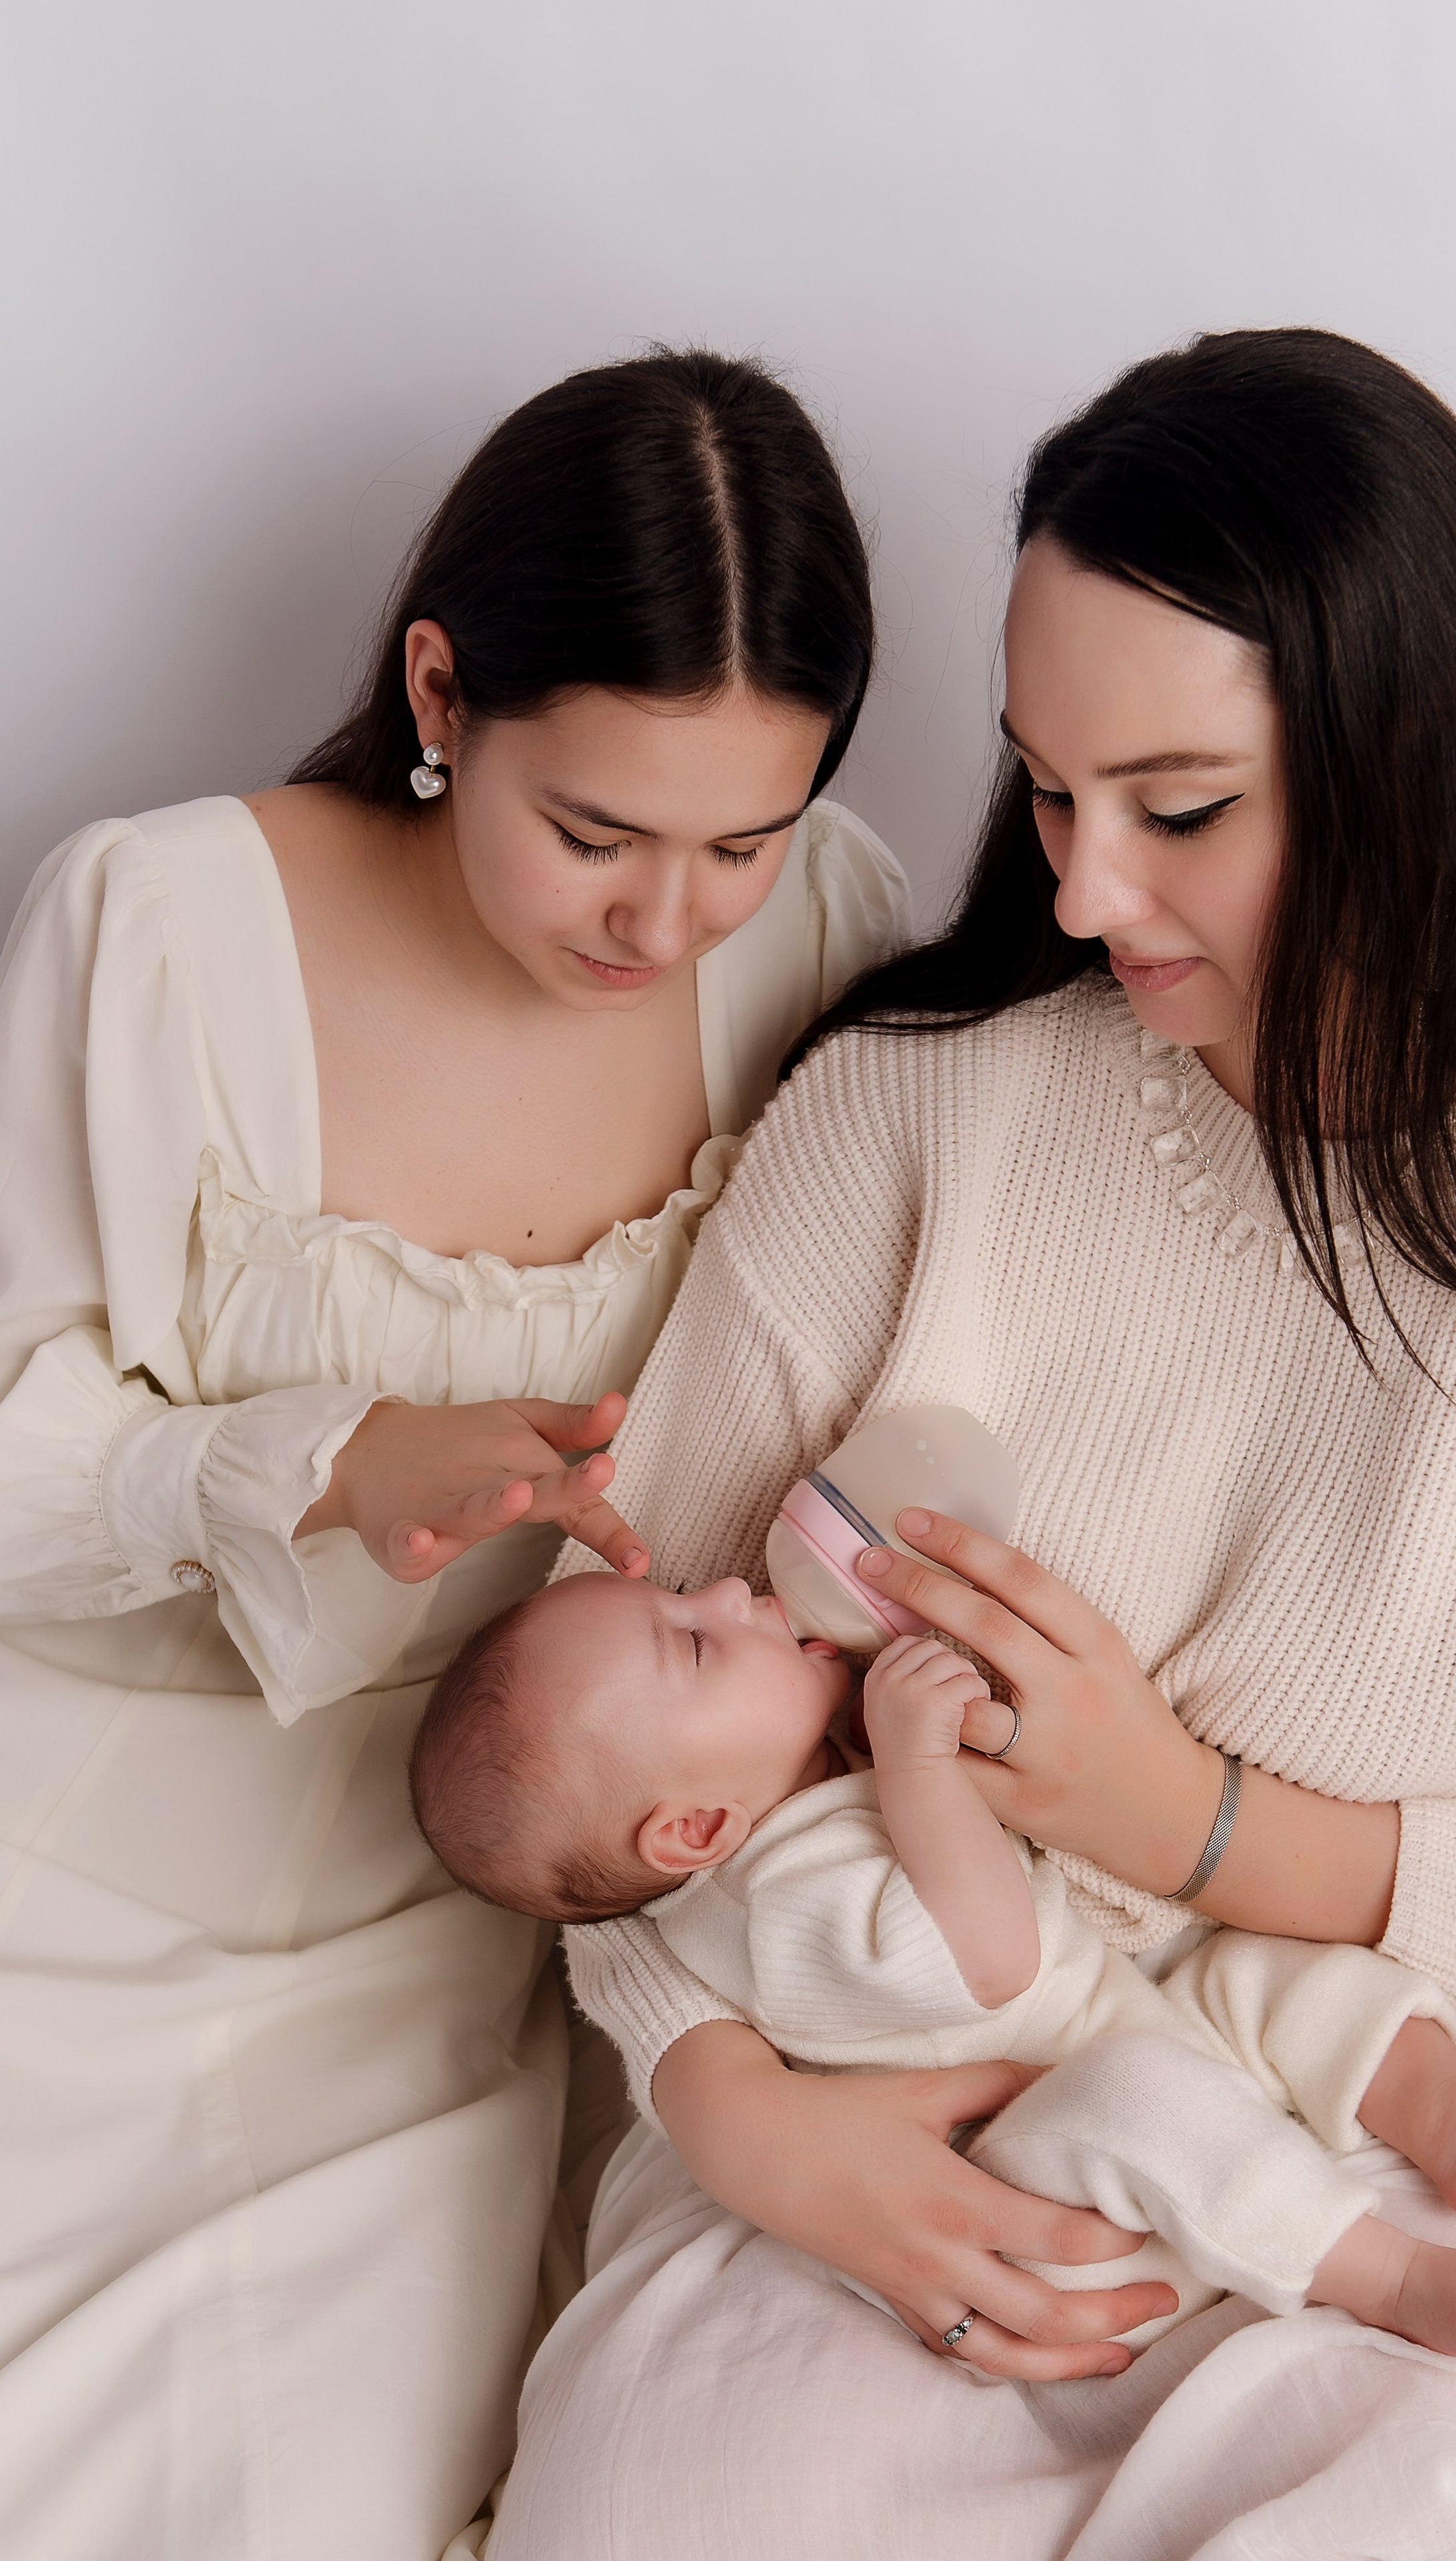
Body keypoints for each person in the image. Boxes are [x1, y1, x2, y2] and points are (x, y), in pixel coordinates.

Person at [492, 331, 1456, 2557]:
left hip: (1406, 2154)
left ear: (1413, 758)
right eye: (1048, 790)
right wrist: (745, 2115)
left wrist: (1197, 1815)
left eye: (1180, 807)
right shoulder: (919, 1106)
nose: (1077, 894)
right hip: (904, 2131)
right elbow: (606, 1726)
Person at [0, 348, 908, 2558]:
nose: (666, 921)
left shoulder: (834, 932)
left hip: (488, 1953)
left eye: (738, 840)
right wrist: (315, 1460)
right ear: (440, 687)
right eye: (593, 831)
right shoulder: (157, 927)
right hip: (73, 1899)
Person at [409, 1566, 1456, 2361]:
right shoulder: (781, 1907)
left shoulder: (780, 1822)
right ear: (690, 1832)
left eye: (689, 1591)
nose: (733, 1593)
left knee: (1280, 1965)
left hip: (1128, 2013)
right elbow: (991, 1957)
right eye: (693, 1643)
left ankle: (1450, 2116)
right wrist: (916, 1761)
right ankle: (1387, 2274)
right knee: (1151, 2102)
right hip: (1055, 2170)